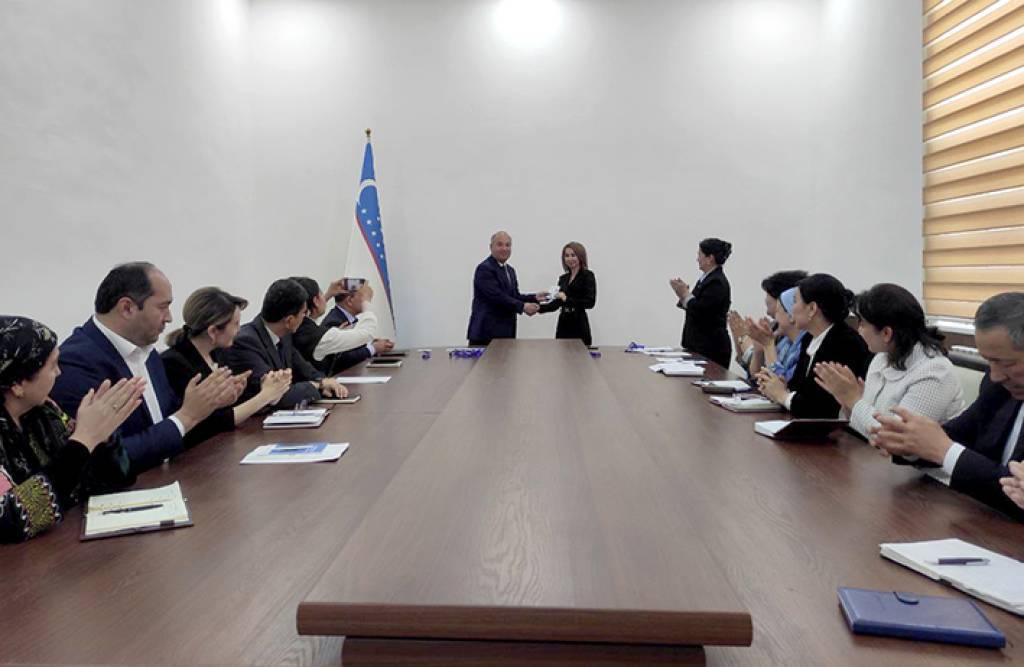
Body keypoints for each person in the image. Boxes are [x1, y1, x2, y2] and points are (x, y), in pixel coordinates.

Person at [51, 262, 244, 474]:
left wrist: (209, 402)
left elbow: (168, 420)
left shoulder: (147, 351)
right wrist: (187, 415)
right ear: (127, 308)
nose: (169, 317)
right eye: (163, 307)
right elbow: (108, 460)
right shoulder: (75, 362)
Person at [870, 292, 1024, 520]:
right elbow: (958, 433)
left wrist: (944, 451)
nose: (995, 375)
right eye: (989, 361)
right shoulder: (996, 387)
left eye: (1007, 363)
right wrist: (909, 443)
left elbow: (1013, 491)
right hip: (980, 521)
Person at [1, 316, 145, 542]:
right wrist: (83, 440)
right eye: (52, 365)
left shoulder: (45, 411)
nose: (59, 372)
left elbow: (107, 482)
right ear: (18, 384)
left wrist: (103, 438)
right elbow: (9, 520)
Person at [813, 283, 964, 439]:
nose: (859, 330)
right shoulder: (881, 358)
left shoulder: (934, 372)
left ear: (886, 333)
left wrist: (853, 399)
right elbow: (862, 427)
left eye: (863, 324)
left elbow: (896, 438)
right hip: (871, 451)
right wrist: (846, 401)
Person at [162, 288, 293, 433]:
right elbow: (211, 423)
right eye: (236, 324)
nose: (239, 330)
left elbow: (234, 409)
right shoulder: (175, 364)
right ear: (213, 331)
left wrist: (267, 392)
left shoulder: (220, 353)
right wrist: (265, 396)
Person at [755, 273, 872, 418]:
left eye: (795, 301)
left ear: (812, 309)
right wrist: (780, 386)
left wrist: (782, 395)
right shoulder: (809, 338)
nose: (792, 309)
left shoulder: (843, 343)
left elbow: (820, 408)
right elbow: (800, 389)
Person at [220, 278, 348, 407]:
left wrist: (324, 381)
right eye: (304, 313)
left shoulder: (284, 336)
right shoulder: (245, 343)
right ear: (289, 321)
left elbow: (306, 370)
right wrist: (318, 385)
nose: (305, 317)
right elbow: (277, 395)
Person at [467, 231, 547, 346]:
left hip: (506, 332)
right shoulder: (484, 269)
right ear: (491, 247)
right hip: (485, 334)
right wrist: (523, 306)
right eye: (500, 244)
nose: (504, 248)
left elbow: (514, 296)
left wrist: (534, 297)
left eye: (507, 245)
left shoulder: (510, 270)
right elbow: (497, 296)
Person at [302, 277, 394, 373]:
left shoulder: (306, 326)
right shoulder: (332, 322)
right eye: (362, 297)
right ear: (350, 300)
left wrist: (370, 344)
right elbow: (343, 358)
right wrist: (373, 348)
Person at [670, 238, 732, 368]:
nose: (697, 259)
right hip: (698, 345)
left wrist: (685, 294)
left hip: (710, 348)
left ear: (710, 258)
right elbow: (695, 305)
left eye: (700, 255)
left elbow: (702, 311)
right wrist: (683, 294)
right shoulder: (706, 279)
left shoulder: (716, 282)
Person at [729, 270, 808, 372]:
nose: (774, 318)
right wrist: (756, 347)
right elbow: (756, 374)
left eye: (778, 311)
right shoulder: (784, 339)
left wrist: (764, 344)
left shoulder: (804, 346)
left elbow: (779, 379)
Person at [537, 242, 597, 346]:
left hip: (579, 323)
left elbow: (590, 302)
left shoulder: (588, 276)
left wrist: (566, 299)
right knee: (561, 353)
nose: (570, 259)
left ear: (580, 257)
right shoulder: (563, 279)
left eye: (573, 255)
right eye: (567, 255)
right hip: (563, 322)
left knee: (579, 354)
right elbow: (556, 303)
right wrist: (538, 308)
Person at [746, 287, 807, 382]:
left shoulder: (804, 348)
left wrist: (768, 345)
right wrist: (758, 350)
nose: (775, 317)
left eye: (777, 311)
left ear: (791, 316)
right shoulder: (785, 342)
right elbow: (757, 377)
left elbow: (780, 384)